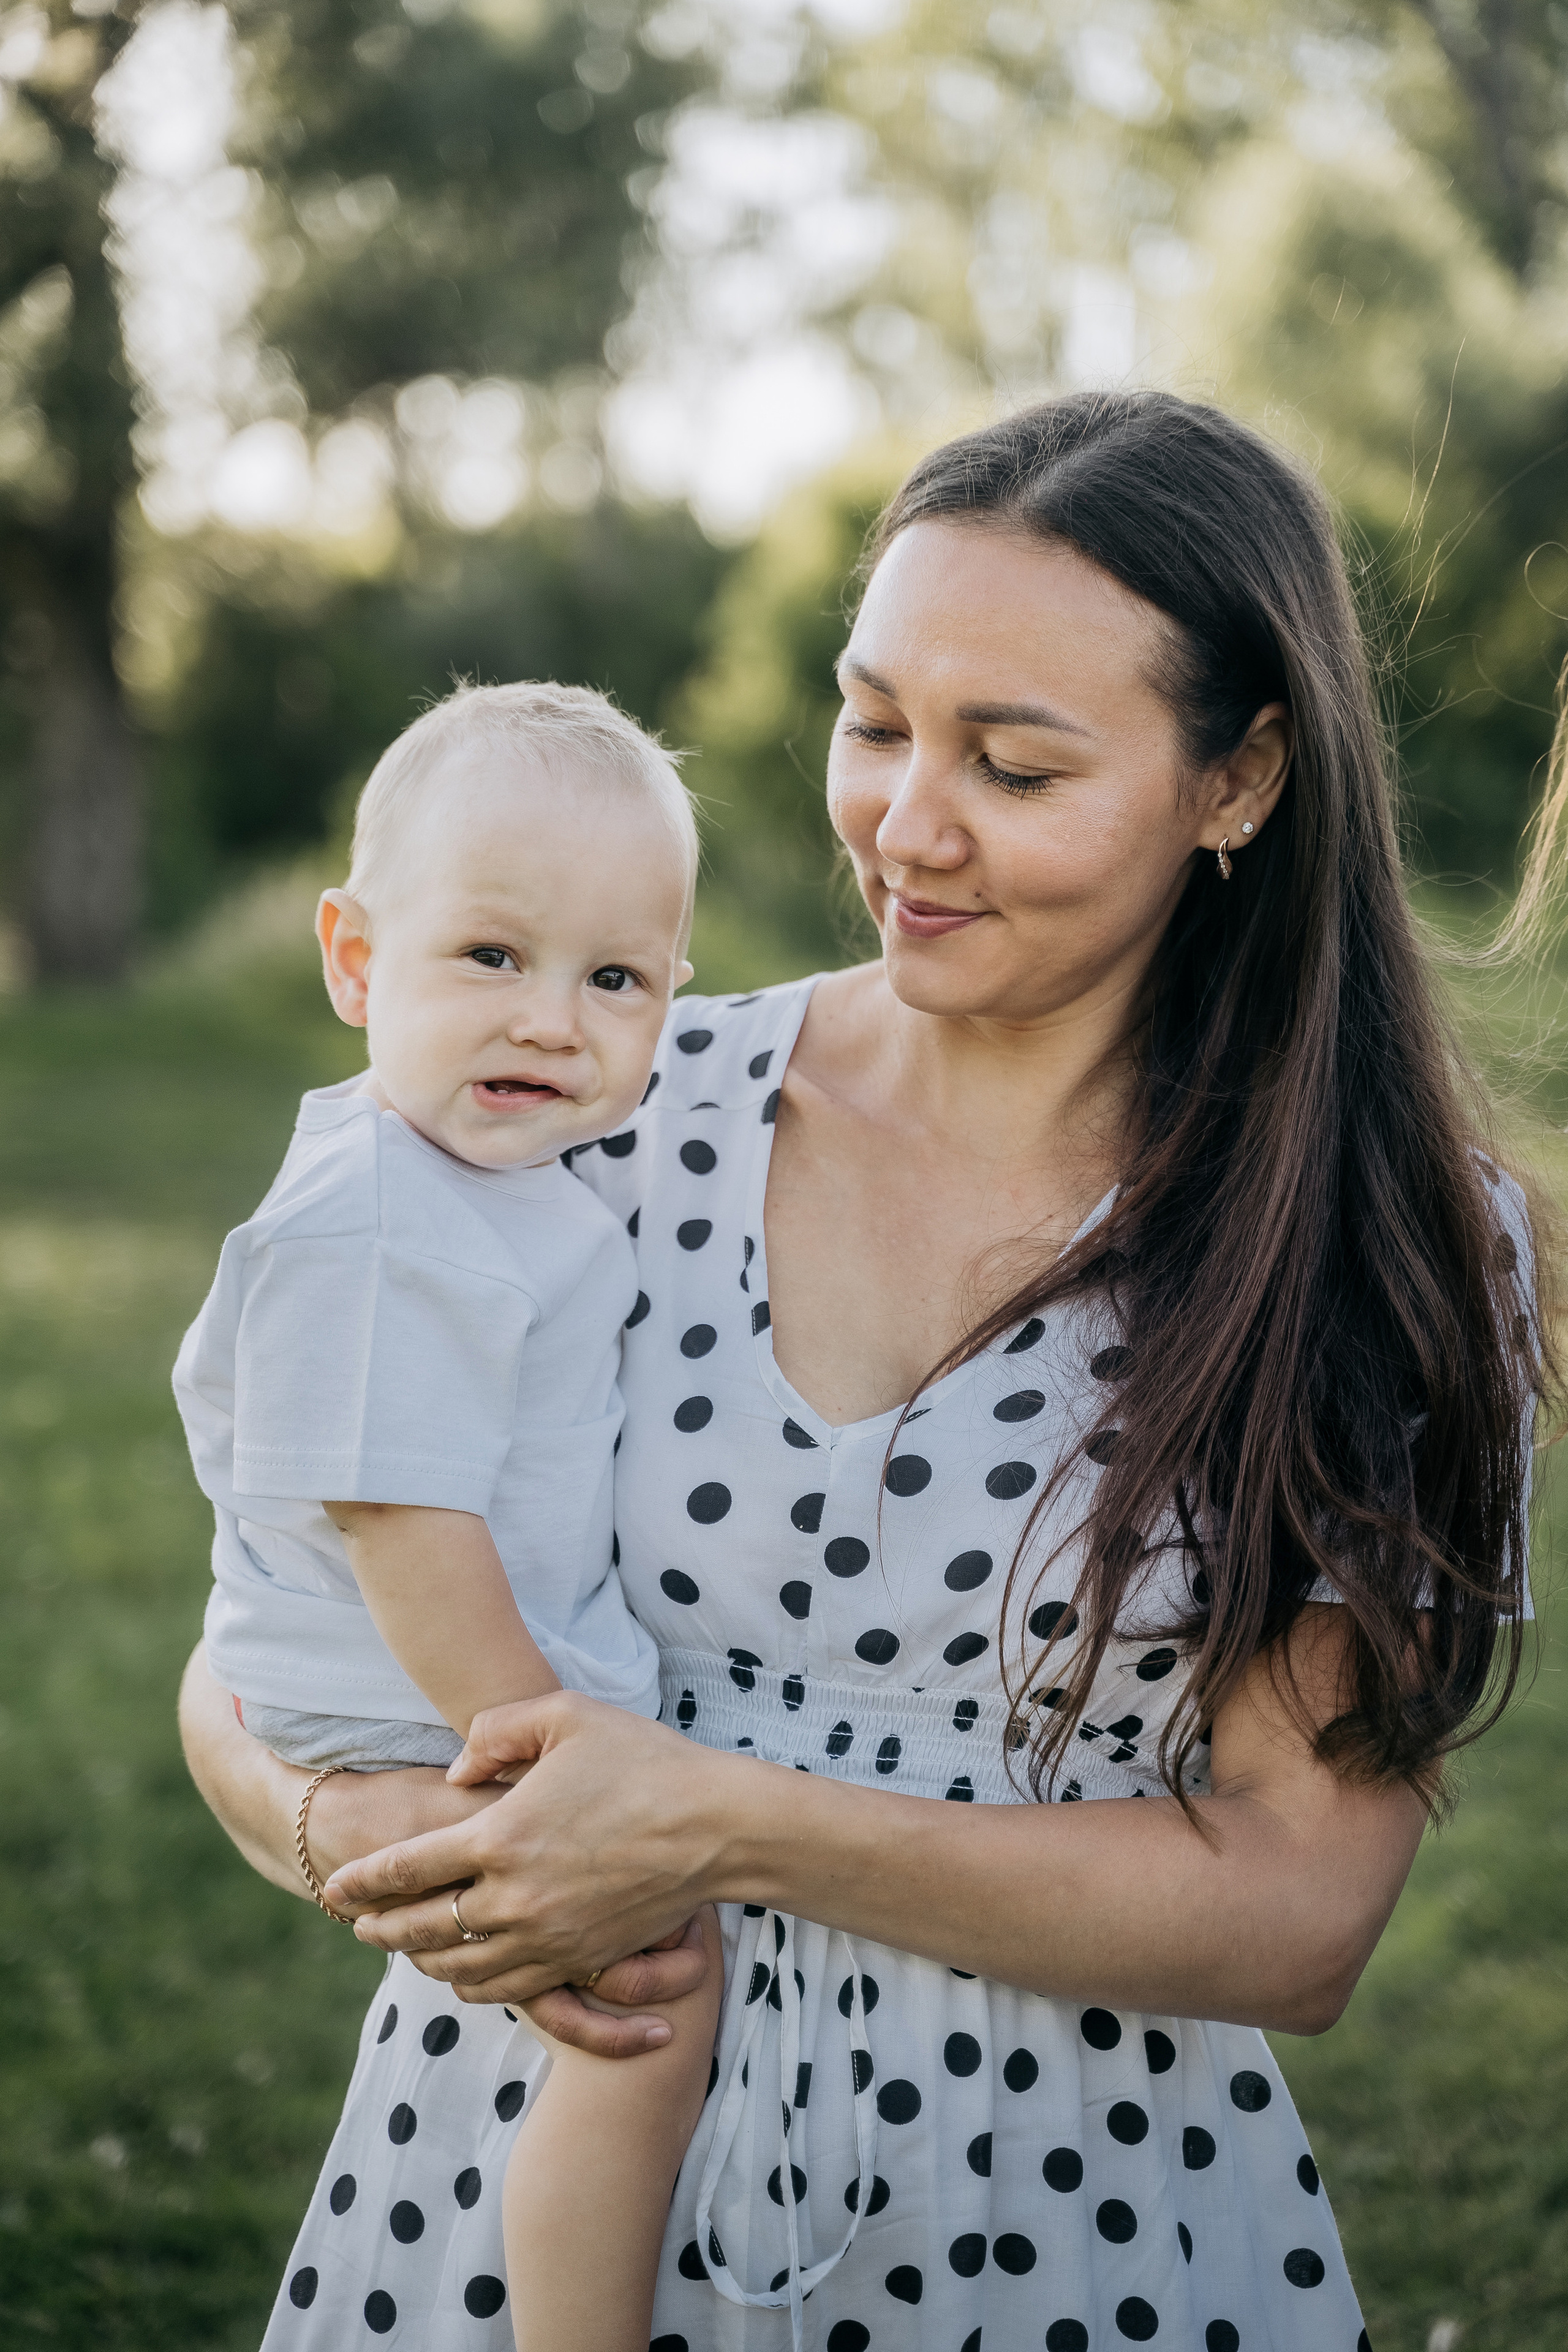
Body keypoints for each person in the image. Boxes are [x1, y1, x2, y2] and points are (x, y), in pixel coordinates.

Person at [182, 391, 1542, 2350]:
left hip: (1050, 2207)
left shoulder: (1376, 1242)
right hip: (529, 2138)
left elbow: (1302, 1913)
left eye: (1015, 762)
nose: (907, 823)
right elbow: (260, 1630)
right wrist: (360, 1833)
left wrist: (711, 1823)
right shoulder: (597, 1110)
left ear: (1237, 782)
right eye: (877, 719)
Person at [173, 679, 723, 2352]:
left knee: (609, 2021)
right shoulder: (373, 1221)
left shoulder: (491, 1185)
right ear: (354, 959)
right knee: (647, 2013)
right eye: (491, 958)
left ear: (670, 999)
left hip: (432, 1685)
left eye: (612, 979)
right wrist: (539, 1756)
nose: (553, 1021)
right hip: (414, 1699)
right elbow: (401, 1523)